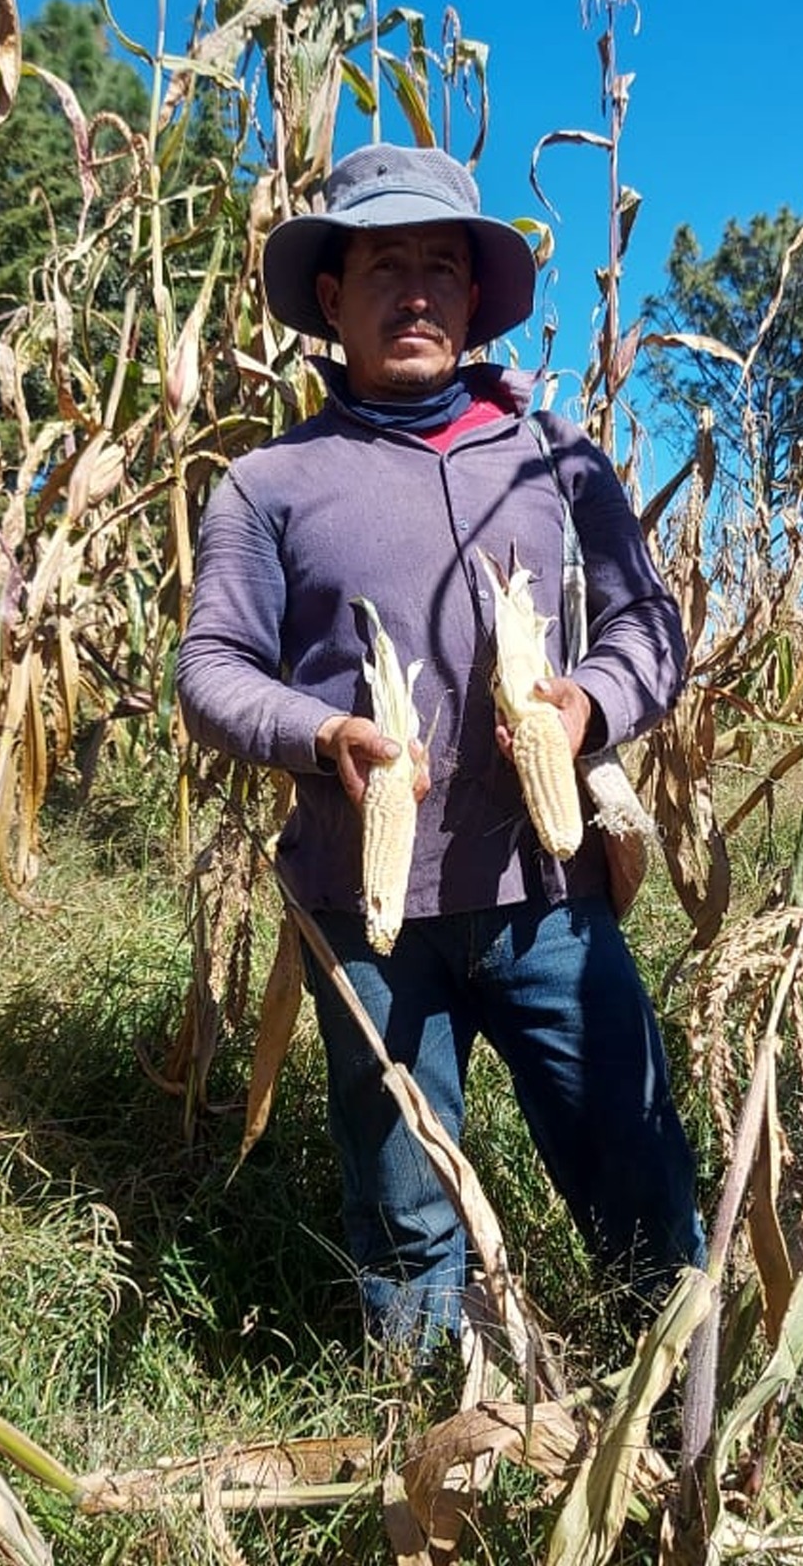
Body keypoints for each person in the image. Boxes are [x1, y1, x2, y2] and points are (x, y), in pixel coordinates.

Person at [176, 142, 705, 1359]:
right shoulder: (268, 484)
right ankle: (432, 1452)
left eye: (437, 266)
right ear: (329, 296)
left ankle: (685, 1415)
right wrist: (323, 734)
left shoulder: (555, 456)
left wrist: (583, 709)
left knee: (636, 1170)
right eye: (381, 267)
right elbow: (209, 671)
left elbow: (648, 625)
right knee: (406, 1212)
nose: (413, 292)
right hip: (370, 922)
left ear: (473, 299)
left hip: (550, 904)